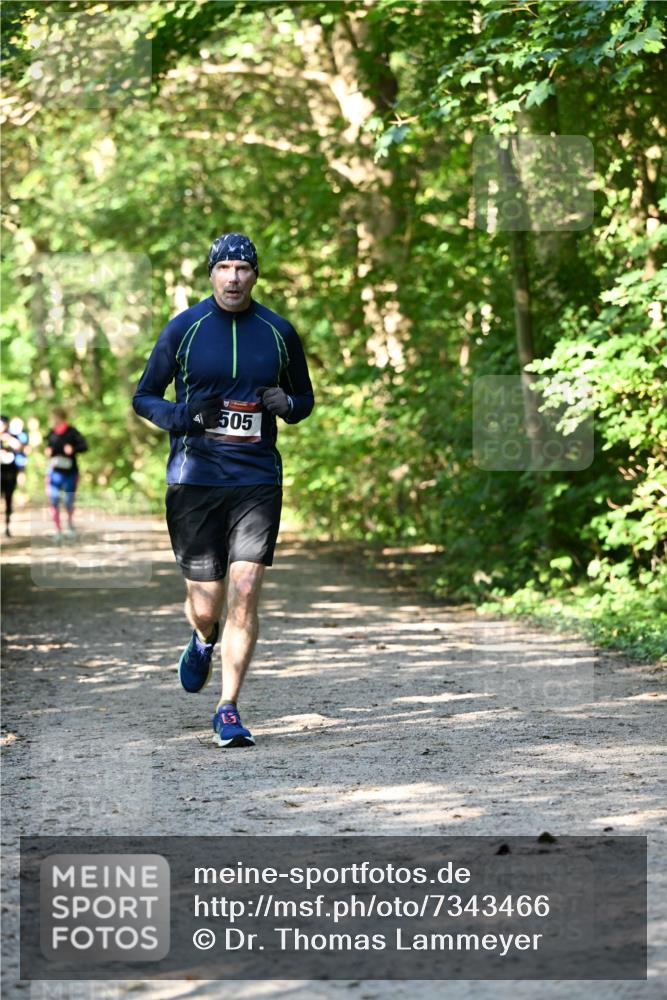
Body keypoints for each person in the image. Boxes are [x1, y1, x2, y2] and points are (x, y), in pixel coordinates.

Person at [133, 232, 314, 748]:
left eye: (243, 268)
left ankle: (228, 708)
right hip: (196, 477)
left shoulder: (278, 332)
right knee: (208, 603)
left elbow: (304, 397)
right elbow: (144, 396)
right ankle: (201, 638)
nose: (234, 277)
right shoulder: (184, 329)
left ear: (255, 275)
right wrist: (183, 417)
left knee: (245, 591)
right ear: (211, 274)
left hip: (256, 478)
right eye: (225, 268)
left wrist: (290, 405)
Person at [44, 407, 88, 541]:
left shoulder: (72, 432)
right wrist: (48, 451)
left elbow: (85, 446)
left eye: (54, 417)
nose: (53, 420)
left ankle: (69, 523)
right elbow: (47, 447)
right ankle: (58, 530)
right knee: (54, 500)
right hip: (54, 471)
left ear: (61, 417)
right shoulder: (51, 433)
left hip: (70, 471)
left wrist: (73, 449)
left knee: (69, 500)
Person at [0, 415, 23, 537]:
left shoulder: (11, 436)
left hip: (9, 472)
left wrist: (8, 439)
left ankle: (7, 526)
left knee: (8, 499)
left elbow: (20, 447)